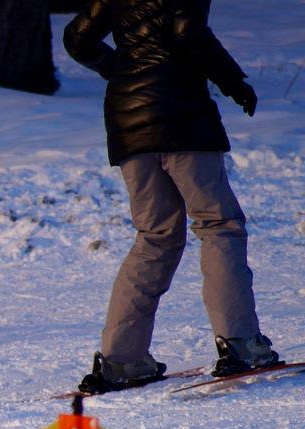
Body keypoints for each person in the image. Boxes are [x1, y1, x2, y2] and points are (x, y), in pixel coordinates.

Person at [65, 0, 281, 394]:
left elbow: (77, 37)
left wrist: (119, 70)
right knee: (219, 225)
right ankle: (241, 343)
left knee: (155, 235)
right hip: (182, 116)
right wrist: (234, 83)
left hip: (127, 120)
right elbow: (185, 29)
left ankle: (122, 360)